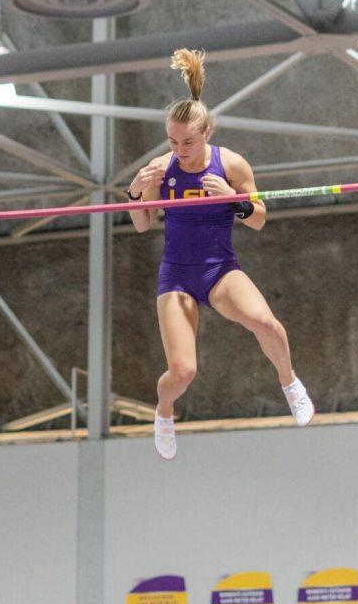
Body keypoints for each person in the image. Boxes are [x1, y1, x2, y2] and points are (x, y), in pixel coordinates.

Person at [127, 48, 314, 460]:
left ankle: (289, 382)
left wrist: (233, 198)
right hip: (176, 275)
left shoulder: (230, 165)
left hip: (219, 271)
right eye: (173, 141)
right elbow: (142, 225)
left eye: (188, 142)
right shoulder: (162, 168)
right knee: (183, 372)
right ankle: (163, 412)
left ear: (207, 134)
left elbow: (260, 219)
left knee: (266, 322)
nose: (180, 149)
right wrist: (136, 193)